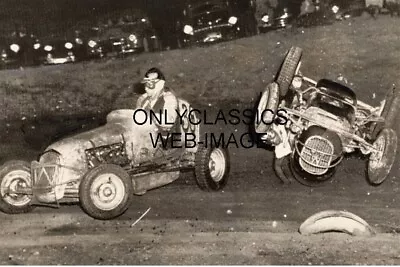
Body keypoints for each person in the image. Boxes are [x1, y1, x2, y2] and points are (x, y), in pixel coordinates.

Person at [136, 67, 180, 142]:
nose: (146, 88)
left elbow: (168, 122)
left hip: (167, 142)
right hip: (147, 140)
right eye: (146, 84)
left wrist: (150, 115)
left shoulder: (169, 98)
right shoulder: (142, 99)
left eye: (150, 84)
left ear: (160, 84)